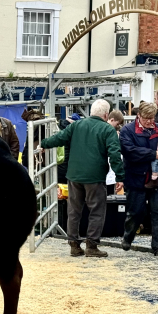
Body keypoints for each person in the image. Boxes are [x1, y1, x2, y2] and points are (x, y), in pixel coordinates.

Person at [38, 99, 124, 258]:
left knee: (74, 210)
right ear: (106, 115)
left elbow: (59, 138)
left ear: (91, 112)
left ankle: (74, 245)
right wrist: (120, 176)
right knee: (97, 211)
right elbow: (114, 155)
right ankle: (91, 245)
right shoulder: (108, 130)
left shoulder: (76, 125)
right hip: (95, 177)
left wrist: (43, 144)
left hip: (74, 175)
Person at [120, 102, 158, 258]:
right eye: (146, 118)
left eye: (152, 118)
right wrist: (154, 154)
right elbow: (130, 152)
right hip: (136, 177)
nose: (149, 121)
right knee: (135, 211)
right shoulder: (127, 131)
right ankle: (128, 236)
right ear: (138, 115)